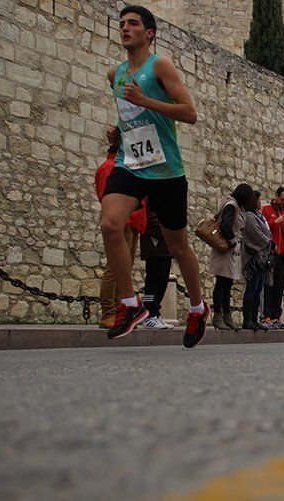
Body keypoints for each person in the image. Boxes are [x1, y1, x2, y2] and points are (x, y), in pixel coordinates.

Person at [101, 5, 209, 348]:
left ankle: (197, 307)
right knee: (110, 225)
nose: (125, 28)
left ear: (149, 33)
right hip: (130, 164)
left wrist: (146, 100)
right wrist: (119, 132)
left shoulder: (159, 65)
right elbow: (131, 113)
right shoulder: (115, 74)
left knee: (178, 246)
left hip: (165, 169)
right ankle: (131, 305)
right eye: (121, 24)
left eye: (133, 23)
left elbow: (189, 113)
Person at [94, 141, 147, 329]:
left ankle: (120, 310)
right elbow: (108, 197)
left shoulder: (122, 169)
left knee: (124, 268)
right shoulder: (110, 168)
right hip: (123, 221)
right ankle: (108, 311)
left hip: (133, 222)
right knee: (114, 268)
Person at [210, 183, 253, 330]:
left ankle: (226, 315)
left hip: (232, 250)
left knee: (227, 284)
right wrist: (232, 242)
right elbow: (226, 225)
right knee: (221, 283)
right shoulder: (231, 206)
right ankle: (217, 315)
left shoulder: (238, 207)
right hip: (226, 248)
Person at [262, 187, 284, 329]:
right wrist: (276, 221)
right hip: (270, 253)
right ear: (276, 196)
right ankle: (266, 316)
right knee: (268, 286)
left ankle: (276, 316)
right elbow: (263, 228)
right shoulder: (266, 210)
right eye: (282, 199)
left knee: (279, 287)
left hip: (282, 254)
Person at [241, 191, 272, 331]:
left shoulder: (258, 216)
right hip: (254, 258)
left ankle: (254, 318)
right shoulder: (249, 216)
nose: (261, 202)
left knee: (258, 289)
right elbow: (257, 235)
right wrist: (270, 242)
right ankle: (247, 319)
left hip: (261, 259)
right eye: (259, 200)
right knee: (251, 288)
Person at [140, 210, 173, 329]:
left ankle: (155, 315)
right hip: (155, 244)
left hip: (165, 247)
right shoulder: (152, 197)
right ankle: (149, 315)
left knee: (162, 281)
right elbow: (150, 219)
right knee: (153, 280)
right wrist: (167, 233)